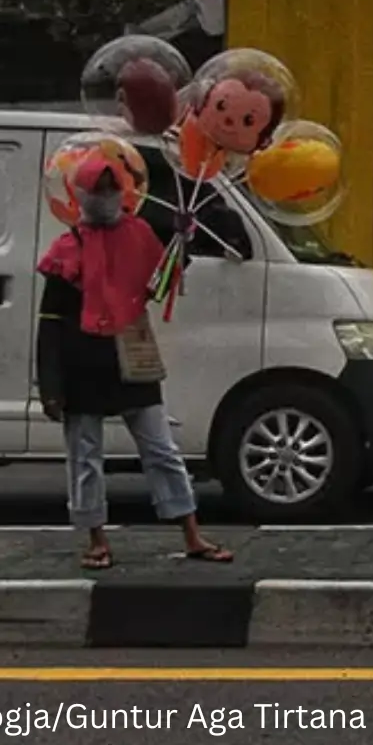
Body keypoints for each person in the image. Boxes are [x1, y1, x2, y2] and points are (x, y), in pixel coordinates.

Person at [37, 156, 232, 570]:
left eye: (112, 189)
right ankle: (95, 539)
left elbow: (160, 283)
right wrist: (50, 384)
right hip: (82, 361)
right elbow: (51, 323)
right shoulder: (66, 248)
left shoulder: (140, 234)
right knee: (85, 456)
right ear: (80, 196)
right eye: (98, 190)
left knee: (161, 448)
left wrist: (182, 242)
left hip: (132, 352)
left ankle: (192, 533)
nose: (105, 198)